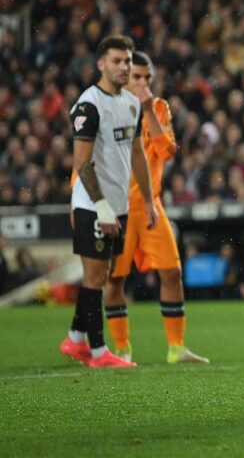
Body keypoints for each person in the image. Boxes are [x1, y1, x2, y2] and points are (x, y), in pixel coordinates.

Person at [102, 51, 208, 364]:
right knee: (115, 280)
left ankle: (176, 347)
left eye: (147, 77)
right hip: (118, 207)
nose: (143, 82)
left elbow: (169, 150)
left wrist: (148, 110)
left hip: (151, 205)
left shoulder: (159, 107)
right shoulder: (107, 107)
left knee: (172, 272)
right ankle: (122, 348)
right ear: (123, 75)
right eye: (137, 77)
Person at [61, 35, 158, 368]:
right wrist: (100, 207)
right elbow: (81, 164)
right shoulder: (89, 104)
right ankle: (99, 352)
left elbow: (137, 153)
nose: (124, 66)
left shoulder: (131, 103)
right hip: (93, 204)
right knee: (95, 276)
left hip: (118, 204)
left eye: (127, 61)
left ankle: (74, 340)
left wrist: (148, 201)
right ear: (100, 63)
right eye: (117, 60)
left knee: (102, 274)